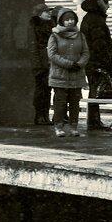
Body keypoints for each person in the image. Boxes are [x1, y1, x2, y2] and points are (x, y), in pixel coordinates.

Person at [48, 9, 89, 137]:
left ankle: (73, 126)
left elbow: (85, 52)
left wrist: (79, 63)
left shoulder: (80, 35)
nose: (70, 22)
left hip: (76, 75)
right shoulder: (54, 36)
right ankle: (59, 126)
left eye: (72, 19)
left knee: (75, 102)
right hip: (60, 75)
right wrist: (68, 64)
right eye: (67, 19)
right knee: (60, 102)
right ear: (61, 21)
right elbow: (52, 54)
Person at [80, 0, 112, 130]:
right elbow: (99, 44)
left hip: (90, 61)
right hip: (97, 61)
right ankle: (93, 121)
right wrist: (107, 60)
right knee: (96, 91)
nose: (108, 7)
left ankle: (93, 120)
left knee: (95, 89)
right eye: (107, 4)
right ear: (100, 5)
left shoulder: (89, 18)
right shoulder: (96, 20)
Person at [30, 3, 55, 125]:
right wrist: (37, 65)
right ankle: (39, 116)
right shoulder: (34, 27)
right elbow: (33, 48)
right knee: (41, 90)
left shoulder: (52, 26)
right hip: (41, 64)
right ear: (39, 14)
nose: (49, 13)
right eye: (46, 12)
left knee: (47, 90)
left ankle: (45, 115)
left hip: (50, 62)